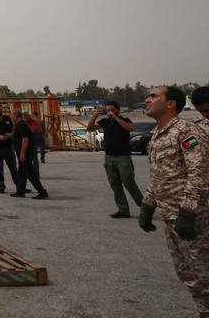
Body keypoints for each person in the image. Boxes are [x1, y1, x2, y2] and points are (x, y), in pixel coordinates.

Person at [139, 85, 209, 317]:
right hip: (171, 218)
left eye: (153, 96)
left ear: (171, 104)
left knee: (205, 276)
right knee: (189, 277)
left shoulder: (187, 131)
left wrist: (188, 212)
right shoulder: (158, 135)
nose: (147, 100)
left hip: (193, 218)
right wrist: (148, 205)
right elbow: (161, 175)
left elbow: (200, 173)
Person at [87, 100, 143, 218]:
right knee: (115, 184)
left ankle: (144, 206)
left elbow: (130, 128)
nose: (110, 112)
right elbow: (90, 128)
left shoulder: (125, 120)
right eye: (108, 110)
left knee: (129, 182)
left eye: (112, 110)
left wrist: (116, 118)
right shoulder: (104, 122)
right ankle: (122, 209)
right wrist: (95, 116)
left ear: (118, 110)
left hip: (123, 156)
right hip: (109, 157)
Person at [9, 110, 48, 199]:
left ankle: (42, 191)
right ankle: (20, 191)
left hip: (25, 153)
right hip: (20, 152)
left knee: (30, 173)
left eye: (12, 116)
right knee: (21, 173)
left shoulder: (22, 125)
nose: (11, 117)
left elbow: (25, 140)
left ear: (16, 116)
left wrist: (22, 153)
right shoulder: (20, 125)